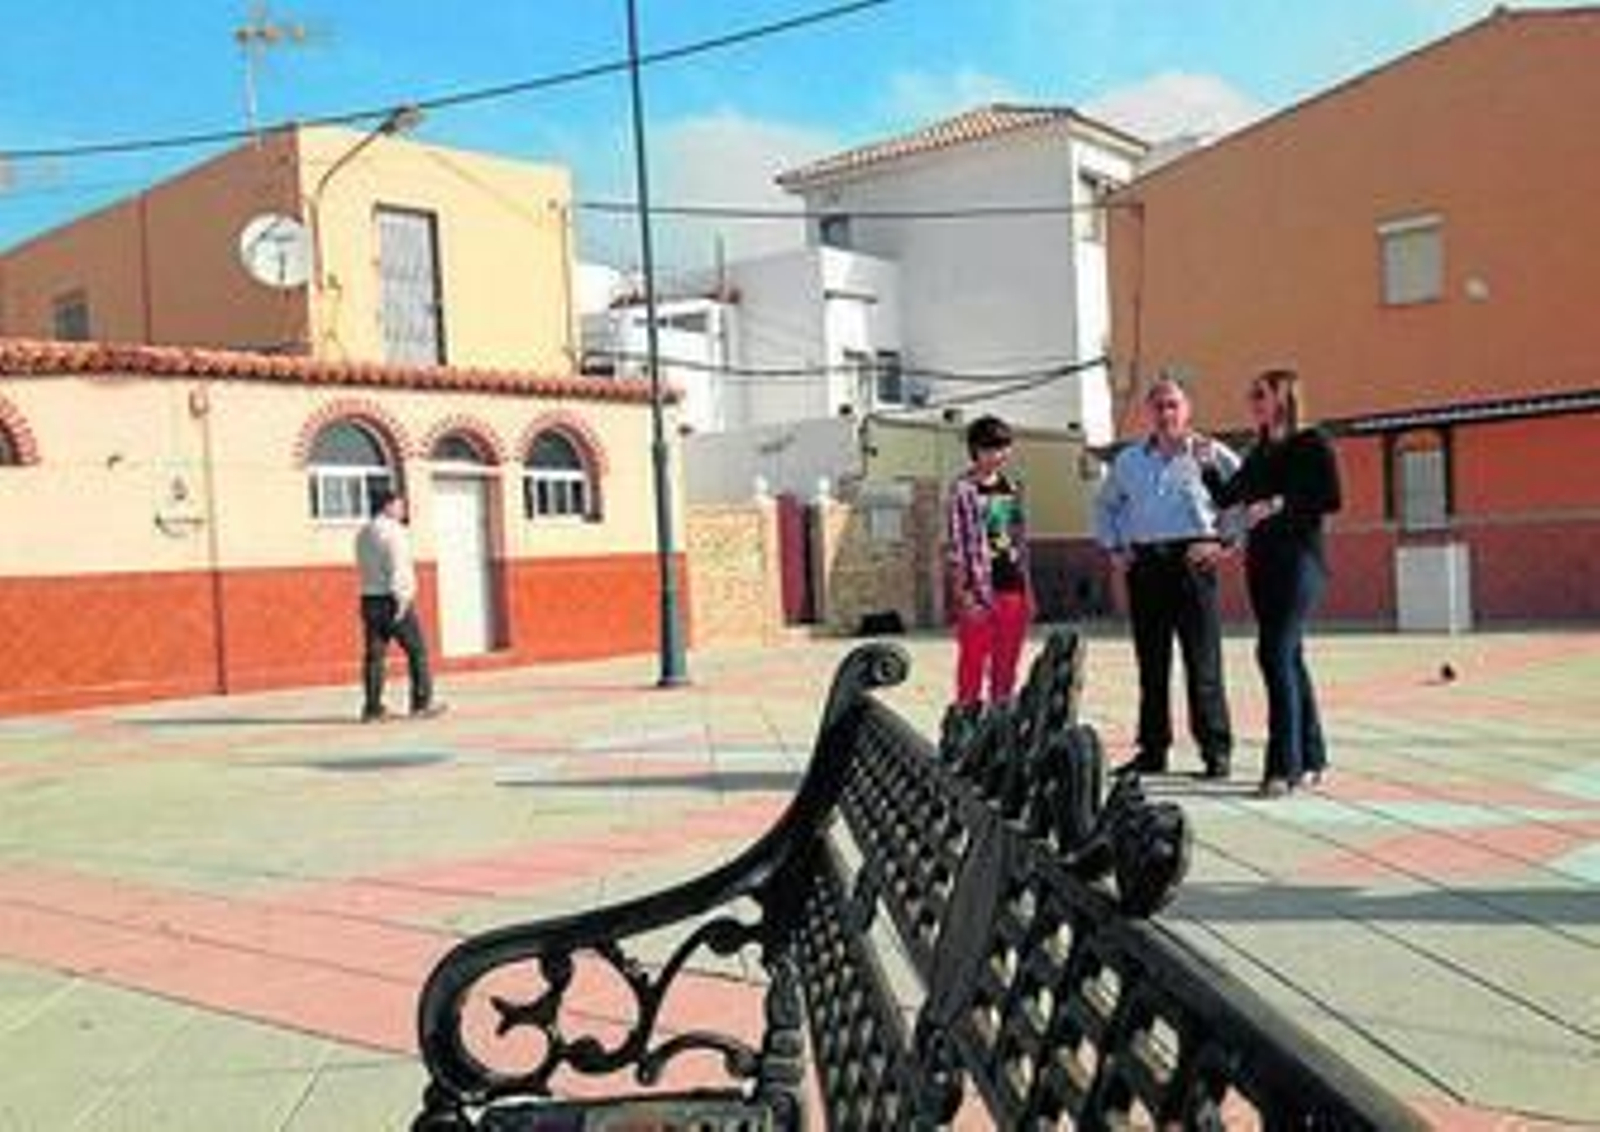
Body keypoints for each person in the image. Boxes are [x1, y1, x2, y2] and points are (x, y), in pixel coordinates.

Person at [1204, 368, 1342, 797]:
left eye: (1259, 394)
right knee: (1289, 657)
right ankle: (1313, 755)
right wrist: (1205, 462)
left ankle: (1282, 767)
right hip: (1263, 562)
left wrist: (1279, 503)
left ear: (1282, 398)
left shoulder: (1312, 443)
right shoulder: (1259, 450)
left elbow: (1330, 498)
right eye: (1252, 395)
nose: (1252, 401)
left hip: (1300, 561)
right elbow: (1227, 496)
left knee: (1273, 653)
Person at [1094, 377, 1239, 778]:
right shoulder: (1129, 461)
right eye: (1158, 405)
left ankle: (1215, 750)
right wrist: (1115, 547)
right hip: (1146, 567)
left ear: (1187, 409)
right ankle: (1152, 750)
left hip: (1193, 563)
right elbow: (1105, 506)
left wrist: (1224, 544)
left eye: (1173, 404)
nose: (1166, 413)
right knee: (1151, 665)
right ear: (1149, 412)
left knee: (1203, 663)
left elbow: (1241, 501)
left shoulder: (1211, 454)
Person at [947, 415, 1034, 706]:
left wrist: (1028, 591)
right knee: (972, 662)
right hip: (978, 590)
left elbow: (1020, 543)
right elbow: (957, 547)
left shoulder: (1012, 488)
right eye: (991, 448)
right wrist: (963, 595)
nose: (998, 455)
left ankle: (1001, 721)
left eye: (1003, 447)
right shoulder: (962, 490)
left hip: (1012, 587)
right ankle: (966, 722)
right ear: (975, 449)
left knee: (1006, 664)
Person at [355, 487, 444, 722]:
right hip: (392, 599)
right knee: (417, 651)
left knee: (374, 656)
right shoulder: (394, 532)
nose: (402, 509)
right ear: (388, 506)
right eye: (399, 505)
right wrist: (403, 599)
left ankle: (372, 708)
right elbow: (399, 567)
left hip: (369, 598)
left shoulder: (364, 532)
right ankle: (421, 703)